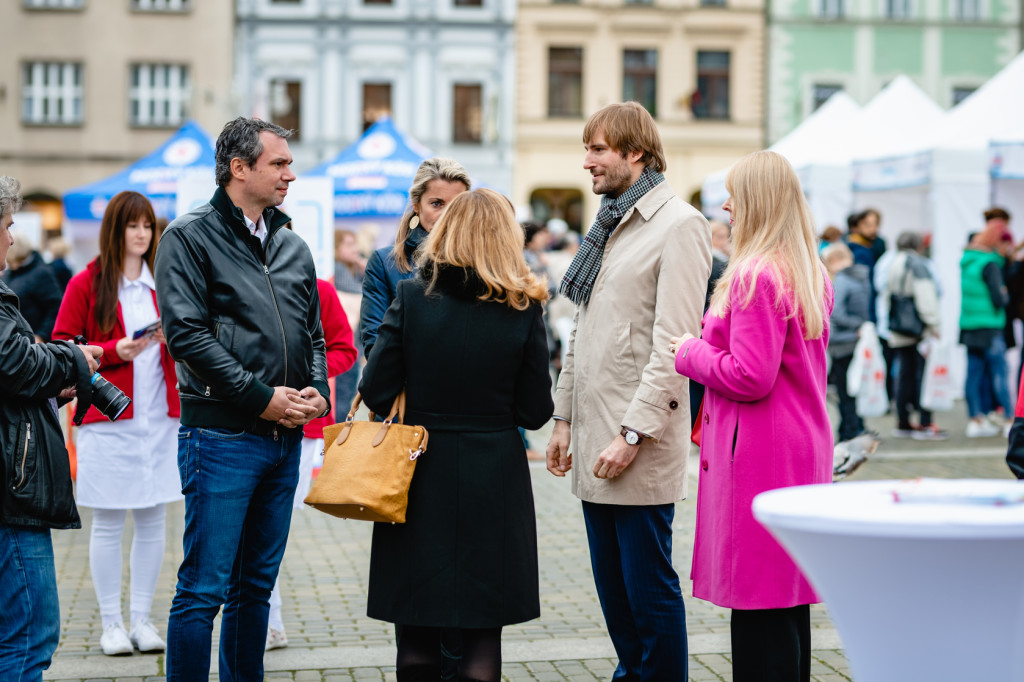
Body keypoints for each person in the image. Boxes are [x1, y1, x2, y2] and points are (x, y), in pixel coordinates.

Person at [154, 117, 330, 680]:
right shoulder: (188, 235)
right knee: (204, 590)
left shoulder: (292, 244)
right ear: (239, 168)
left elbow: (316, 335)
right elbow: (187, 336)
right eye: (278, 163)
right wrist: (260, 397)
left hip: (284, 440)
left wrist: (319, 392)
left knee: (255, 587)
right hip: (222, 436)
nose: (290, 175)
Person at [357, 188, 554, 681]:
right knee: (483, 632)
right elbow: (535, 411)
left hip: (419, 472)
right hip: (495, 475)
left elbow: (377, 391)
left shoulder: (410, 298)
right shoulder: (523, 308)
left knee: (417, 632)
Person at [545, 102, 711, 680]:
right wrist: (562, 419)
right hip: (594, 440)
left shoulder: (680, 225)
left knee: (648, 593)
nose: (586, 161)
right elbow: (583, 334)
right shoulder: (609, 223)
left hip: (635, 444)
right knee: (614, 596)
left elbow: (676, 347)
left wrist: (633, 433)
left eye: (597, 149)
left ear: (634, 152)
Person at [671, 150, 834, 682]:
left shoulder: (756, 275)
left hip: (759, 451)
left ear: (758, 202)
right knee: (786, 599)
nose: (726, 206)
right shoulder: (806, 269)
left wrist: (690, 350)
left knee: (759, 603)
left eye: (735, 195)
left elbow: (749, 375)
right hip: (798, 441)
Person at [52, 191, 182, 656]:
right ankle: (111, 624)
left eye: (147, 225)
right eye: (133, 225)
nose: (142, 233)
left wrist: (174, 338)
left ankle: (143, 621)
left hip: (159, 419)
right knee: (107, 521)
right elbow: (62, 347)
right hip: (108, 420)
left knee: (153, 521)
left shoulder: (163, 283)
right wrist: (112, 351)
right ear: (116, 230)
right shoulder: (88, 283)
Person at [0, 175, 104, 679]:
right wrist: (73, 360)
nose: (12, 237)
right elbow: (13, 364)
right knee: (28, 636)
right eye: (7, 224)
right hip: (11, 491)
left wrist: (54, 377)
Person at [267, 276, 357, 650]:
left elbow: (344, 349)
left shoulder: (317, 288)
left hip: (302, 424)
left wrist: (312, 379)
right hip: (245, 420)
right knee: (253, 530)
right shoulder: (231, 279)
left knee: (271, 528)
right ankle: (266, 618)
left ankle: (269, 618)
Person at [359, 157, 470, 357]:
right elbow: (375, 344)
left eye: (456, 206)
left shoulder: (481, 260)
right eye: (437, 204)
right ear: (417, 205)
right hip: (411, 384)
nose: (446, 215)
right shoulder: (385, 263)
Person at [883, 231, 947, 440]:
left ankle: (903, 421)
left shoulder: (892, 263)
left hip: (899, 328)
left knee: (904, 375)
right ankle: (925, 422)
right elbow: (926, 296)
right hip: (917, 329)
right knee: (922, 375)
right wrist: (934, 323)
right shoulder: (918, 264)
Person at [960, 208, 1013, 438]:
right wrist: (1005, 293)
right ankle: (1011, 418)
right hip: (990, 325)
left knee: (973, 374)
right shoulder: (990, 264)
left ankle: (975, 419)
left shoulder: (967, 260)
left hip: (969, 325)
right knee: (999, 373)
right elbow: (998, 298)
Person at [821, 242, 871, 443]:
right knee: (855, 388)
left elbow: (836, 311)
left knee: (845, 391)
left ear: (833, 261)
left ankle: (849, 431)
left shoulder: (841, 280)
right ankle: (856, 426)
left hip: (842, 343)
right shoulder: (861, 278)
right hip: (856, 340)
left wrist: (853, 325)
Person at [2, 233, 63, 342]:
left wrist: (41, 336)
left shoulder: (41, 273)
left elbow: (55, 308)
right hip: (13, 341)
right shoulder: (9, 274)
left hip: (34, 343)